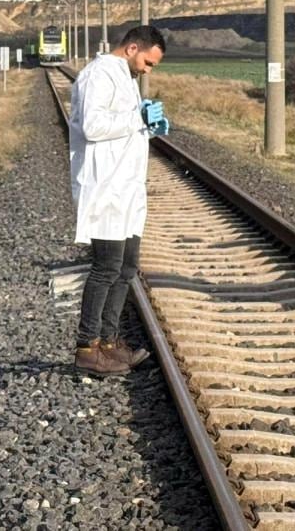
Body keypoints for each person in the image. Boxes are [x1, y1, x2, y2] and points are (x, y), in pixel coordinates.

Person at [70, 25, 169, 375]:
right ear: (132, 48)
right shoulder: (97, 75)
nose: (147, 70)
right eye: (147, 62)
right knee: (106, 268)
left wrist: (147, 128)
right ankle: (87, 347)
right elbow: (93, 126)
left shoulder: (126, 77)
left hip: (126, 191)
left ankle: (109, 343)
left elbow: (123, 129)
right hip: (105, 188)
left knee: (126, 269)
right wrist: (136, 117)